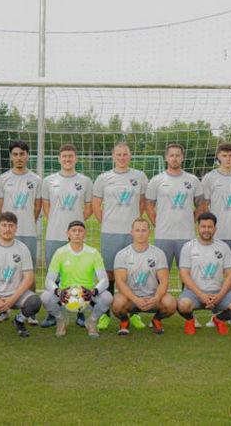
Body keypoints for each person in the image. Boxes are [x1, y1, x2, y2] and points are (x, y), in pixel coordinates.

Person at [145, 143, 205, 326]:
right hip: (163, 236)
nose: (175, 158)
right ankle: (158, 314)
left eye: (178, 155)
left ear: (182, 157)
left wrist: (192, 221)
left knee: (188, 276)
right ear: (166, 158)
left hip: (186, 237)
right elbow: (149, 206)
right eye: (171, 155)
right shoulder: (156, 180)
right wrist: (158, 223)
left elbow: (201, 205)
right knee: (159, 276)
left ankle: (189, 316)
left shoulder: (192, 180)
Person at [91, 141, 149, 330]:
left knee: (133, 273)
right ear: (113, 156)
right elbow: (96, 205)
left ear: (130, 156)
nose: (122, 158)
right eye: (119, 154)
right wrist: (107, 222)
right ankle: (105, 314)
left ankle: (133, 313)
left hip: (132, 234)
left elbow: (142, 203)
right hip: (110, 233)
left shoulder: (140, 176)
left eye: (125, 154)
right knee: (108, 274)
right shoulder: (103, 178)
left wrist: (134, 226)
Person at [40, 144, 93, 328]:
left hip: (77, 237)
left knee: (79, 274)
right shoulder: (49, 181)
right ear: (59, 159)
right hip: (54, 234)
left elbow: (89, 208)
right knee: (53, 276)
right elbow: (46, 206)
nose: (67, 159)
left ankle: (80, 311)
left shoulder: (85, 181)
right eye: (64, 156)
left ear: (76, 159)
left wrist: (75, 226)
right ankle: (53, 314)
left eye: (71, 156)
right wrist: (58, 222)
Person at [201, 142, 231, 328]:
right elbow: (205, 205)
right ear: (218, 157)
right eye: (224, 155)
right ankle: (214, 314)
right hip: (217, 234)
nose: (228, 159)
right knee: (217, 274)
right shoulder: (210, 177)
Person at [0, 140, 43, 325]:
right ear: (11, 156)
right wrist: (8, 227)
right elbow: (0, 207)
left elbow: (37, 206)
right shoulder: (3, 179)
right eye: (15, 154)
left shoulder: (36, 180)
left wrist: (26, 222)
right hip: (7, 234)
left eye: (22, 154)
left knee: (28, 271)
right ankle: (3, 309)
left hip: (28, 232)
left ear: (27, 156)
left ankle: (30, 312)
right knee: (5, 269)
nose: (19, 157)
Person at [176, 212, 231, 335]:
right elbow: (184, 274)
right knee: (182, 305)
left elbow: (230, 274)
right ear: (198, 228)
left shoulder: (223, 247)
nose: (206, 230)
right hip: (195, 293)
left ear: (215, 229)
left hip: (218, 293)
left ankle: (218, 319)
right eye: (203, 226)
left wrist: (219, 296)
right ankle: (190, 320)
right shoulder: (188, 247)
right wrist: (201, 295)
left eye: (210, 227)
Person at [40, 221, 113, 338]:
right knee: (45, 297)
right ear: (68, 234)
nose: (77, 233)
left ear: (85, 234)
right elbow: (49, 280)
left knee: (107, 297)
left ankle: (92, 321)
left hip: (86, 294)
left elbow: (104, 280)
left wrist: (93, 291)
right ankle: (61, 320)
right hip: (65, 295)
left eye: (80, 230)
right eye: (74, 230)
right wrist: (58, 291)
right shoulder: (60, 253)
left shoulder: (93, 253)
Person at [111, 218, 176, 335]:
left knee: (170, 303)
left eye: (144, 230)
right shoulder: (122, 254)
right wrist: (135, 299)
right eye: (137, 230)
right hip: (131, 299)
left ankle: (156, 320)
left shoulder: (158, 253)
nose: (140, 234)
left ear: (149, 232)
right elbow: (120, 282)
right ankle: (125, 321)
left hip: (152, 298)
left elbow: (164, 280)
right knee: (117, 303)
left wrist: (156, 298)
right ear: (132, 232)